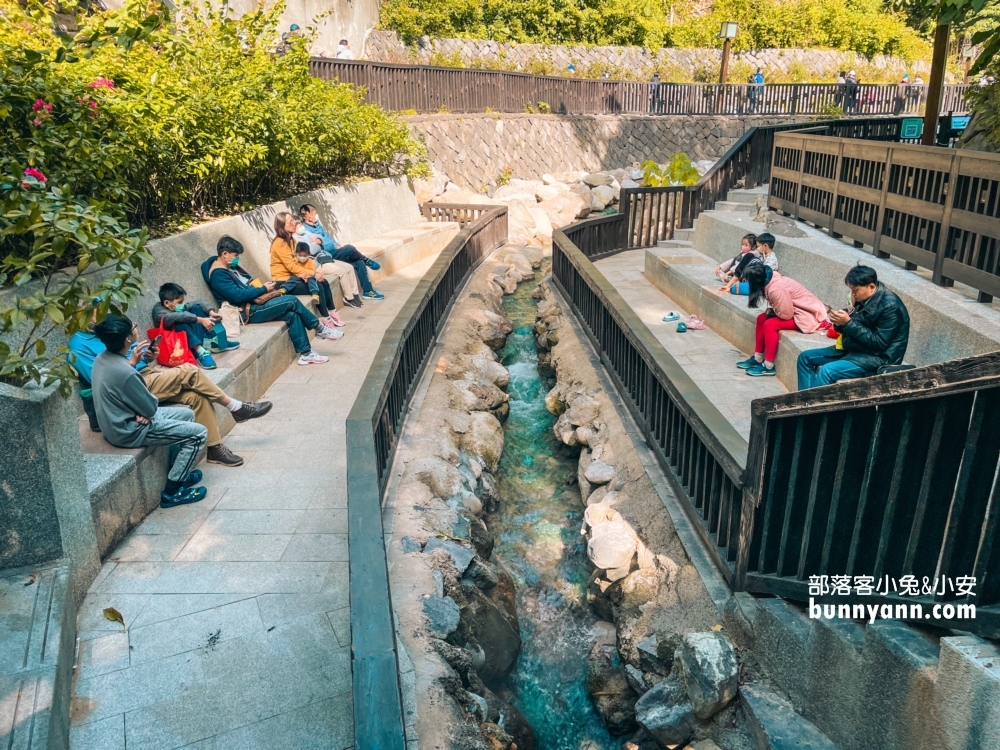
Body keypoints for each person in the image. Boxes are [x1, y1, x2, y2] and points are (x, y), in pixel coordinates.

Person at [69, 311, 271, 467]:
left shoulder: (111, 333)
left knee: (197, 396)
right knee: (190, 371)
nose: (103, 313)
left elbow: (121, 360)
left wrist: (144, 358)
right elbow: (109, 379)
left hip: (141, 374)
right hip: (131, 384)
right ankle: (236, 407)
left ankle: (214, 448)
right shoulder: (80, 345)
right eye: (96, 310)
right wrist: (133, 367)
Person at [90, 315, 211, 507]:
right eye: (134, 326)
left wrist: (133, 362)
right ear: (128, 339)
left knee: (187, 414)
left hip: (118, 421)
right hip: (129, 430)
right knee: (199, 434)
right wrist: (143, 411)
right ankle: (172, 493)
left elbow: (120, 390)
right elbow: (151, 407)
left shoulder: (102, 358)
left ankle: (178, 471)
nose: (137, 327)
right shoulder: (126, 372)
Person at [203, 235, 333, 366]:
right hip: (247, 311)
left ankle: (306, 354)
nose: (237, 258)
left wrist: (263, 288)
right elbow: (237, 296)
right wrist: (263, 289)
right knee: (291, 301)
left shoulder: (229, 267)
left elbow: (248, 283)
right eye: (236, 255)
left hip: (254, 302)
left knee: (292, 315)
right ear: (225, 254)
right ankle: (319, 328)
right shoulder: (218, 274)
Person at [797, 265, 910, 390]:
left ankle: (812, 407)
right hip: (855, 349)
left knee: (827, 371)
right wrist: (839, 323)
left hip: (878, 358)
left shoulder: (891, 306)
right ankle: (804, 402)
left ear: (871, 287)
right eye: (851, 290)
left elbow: (879, 343)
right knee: (805, 358)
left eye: (855, 290)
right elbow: (854, 325)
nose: (853, 294)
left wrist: (847, 323)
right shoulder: (863, 298)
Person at [737, 265, 827, 377]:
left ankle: (769, 366)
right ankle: (758, 358)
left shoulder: (776, 289)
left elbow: (786, 314)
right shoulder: (770, 279)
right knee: (761, 318)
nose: (747, 283)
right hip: (796, 312)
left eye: (748, 280)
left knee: (770, 324)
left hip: (807, 316)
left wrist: (773, 312)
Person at [297, 204, 386, 301]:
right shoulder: (306, 231)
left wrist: (336, 244)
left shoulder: (317, 224)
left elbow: (327, 237)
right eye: (315, 213)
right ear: (309, 216)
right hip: (328, 254)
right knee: (349, 248)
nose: (316, 215)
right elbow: (318, 246)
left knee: (359, 261)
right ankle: (366, 260)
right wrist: (330, 245)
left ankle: (368, 291)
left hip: (335, 250)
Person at [152, 283, 240, 370]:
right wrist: (200, 320)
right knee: (179, 321)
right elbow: (177, 317)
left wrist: (211, 312)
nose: (182, 304)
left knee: (196, 308)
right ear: (167, 303)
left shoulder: (173, 306)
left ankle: (212, 343)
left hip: (190, 340)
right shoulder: (159, 313)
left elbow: (199, 302)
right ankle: (201, 352)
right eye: (179, 302)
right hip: (178, 347)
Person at [280, 241, 341, 328]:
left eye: (304, 256)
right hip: (298, 278)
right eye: (300, 255)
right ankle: (326, 317)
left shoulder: (310, 262)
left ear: (308, 254)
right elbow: (294, 271)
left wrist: (311, 275)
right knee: (295, 279)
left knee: (322, 281)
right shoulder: (294, 261)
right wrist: (301, 275)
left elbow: (312, 272)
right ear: (296, 253)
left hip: (308, 278)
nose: (302, 257)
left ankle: (331, 310)